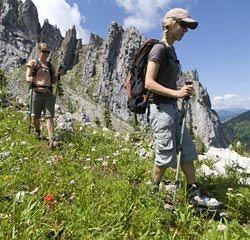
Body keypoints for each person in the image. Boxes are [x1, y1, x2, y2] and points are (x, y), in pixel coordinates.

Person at [145, 8, 219, 206]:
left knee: (186, 149)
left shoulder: (171, 51)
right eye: (183, 24)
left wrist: (180, 89)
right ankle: (153, 191)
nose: (186, 30)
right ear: (169, 24)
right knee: (165, 152)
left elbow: (164, 83)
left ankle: (193, 191)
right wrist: (177, 93)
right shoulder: (159, 49)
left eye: (188, 26)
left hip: (172, 109)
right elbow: (149, 83)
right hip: (160, 109)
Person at [26, 43, 60, 148]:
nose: (46, 54)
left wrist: (58, 75)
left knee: (49, 116)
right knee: (35, 116)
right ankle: (37, 131)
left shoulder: (50, 66)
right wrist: (29, 79)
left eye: (48, 52)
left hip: (48, 93)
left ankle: (51, 139)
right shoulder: (33, 62)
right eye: (44, 51)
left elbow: (53, 81)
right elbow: (27, 76)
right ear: (39, 51)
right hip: (36, 92)